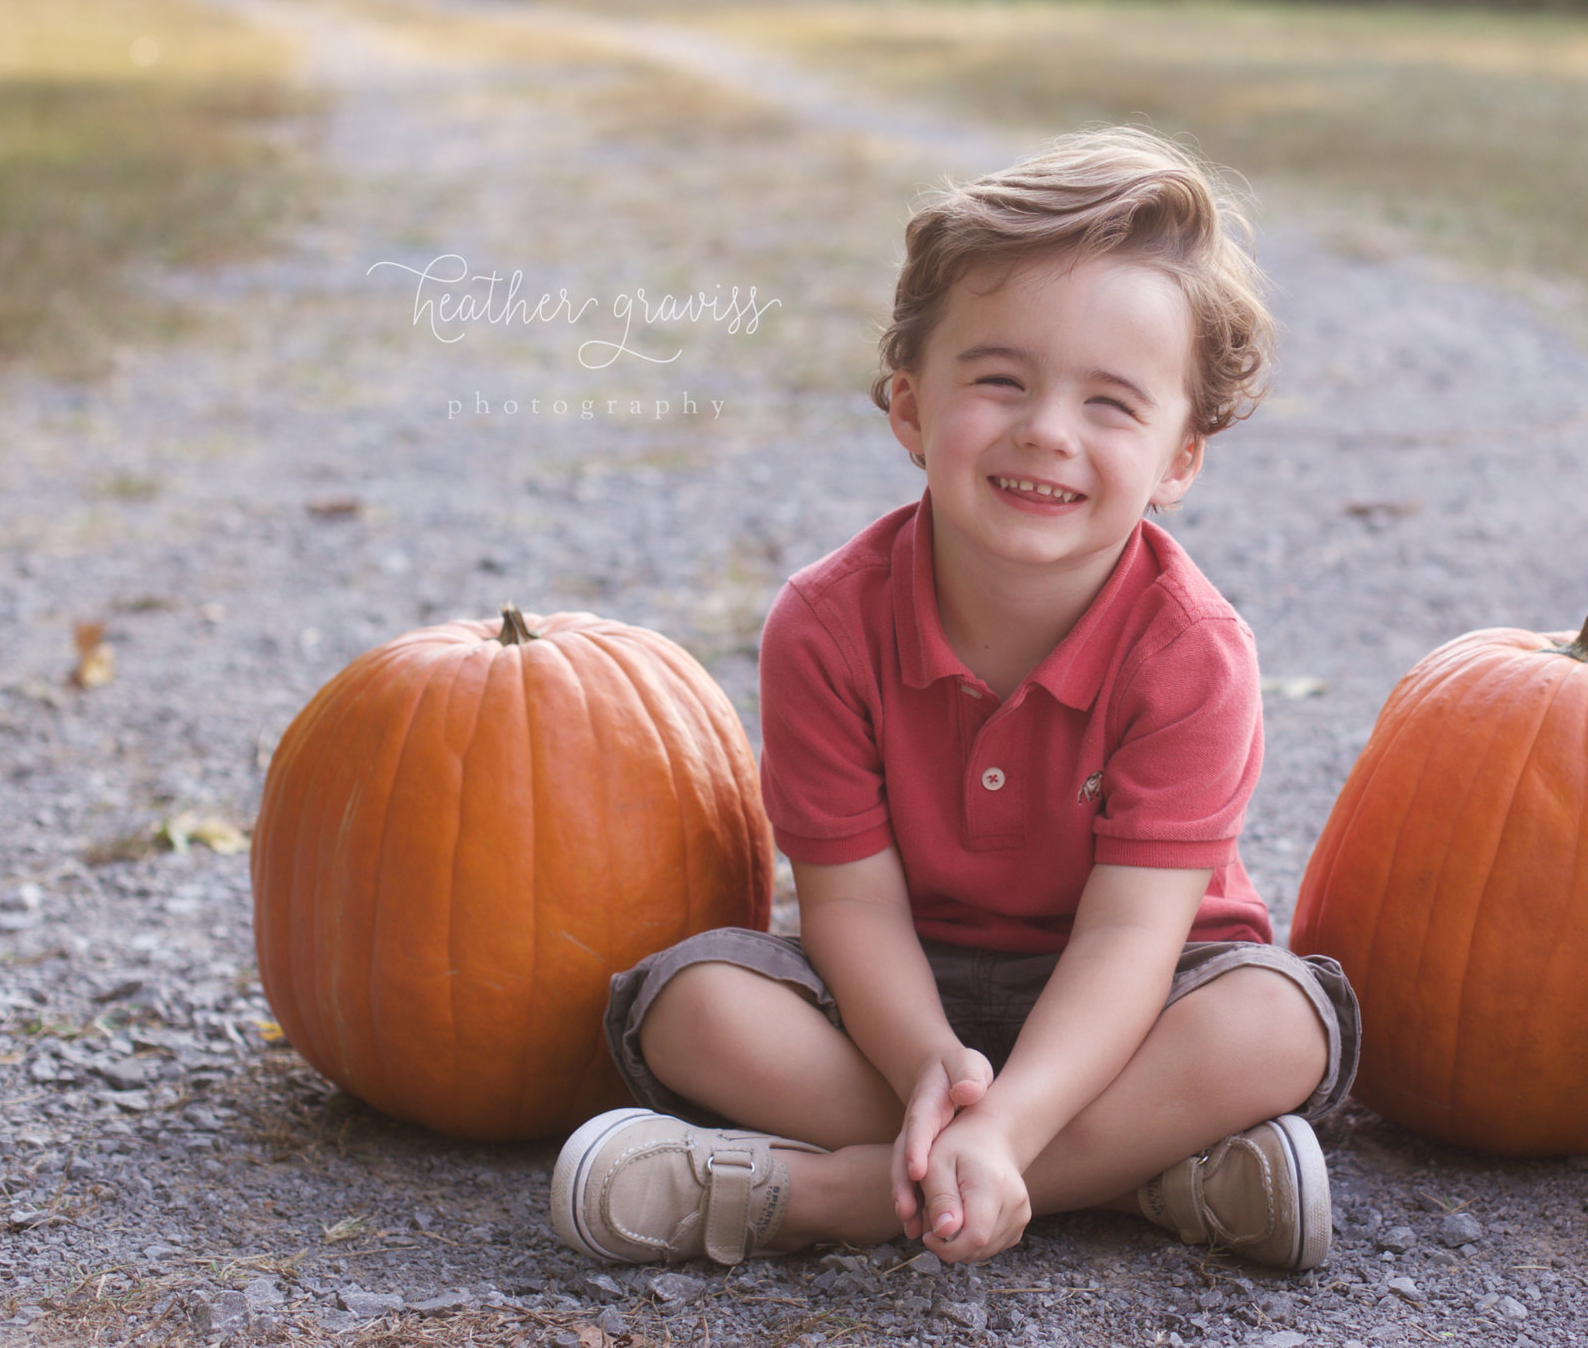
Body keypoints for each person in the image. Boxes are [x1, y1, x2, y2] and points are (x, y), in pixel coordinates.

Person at [549, 128, 1359, 1274]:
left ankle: (827, 1194)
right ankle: (1147, 1184)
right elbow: (853, 910)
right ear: (909, 407)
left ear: (1182, 457)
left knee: (1279, 1025)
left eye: (1112, 404)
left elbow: (1132, 937)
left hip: (1137, 995)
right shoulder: (827, 625)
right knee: (694, 1007)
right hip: (899, 991)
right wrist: (931, 1058)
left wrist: (1017, 1121)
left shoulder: (1193, 654)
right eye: (998, 380)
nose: (1046, 431)